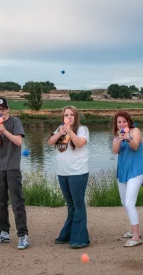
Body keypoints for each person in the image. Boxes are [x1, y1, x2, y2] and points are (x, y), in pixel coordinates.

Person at [0, 97, 29, 250]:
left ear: (8, 109)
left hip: (12, 168)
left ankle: (23, 236)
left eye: (3, 109)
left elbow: (18, 142)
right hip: (0, 168)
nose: (1, 111)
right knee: (1, 202)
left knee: (17, 203)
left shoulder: (15, 122)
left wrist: (4, 130)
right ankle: (3, 233)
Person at [47, 106, 90, 249]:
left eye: (72, 115)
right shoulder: (60, 128)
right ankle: (67, 235)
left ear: (76, 117)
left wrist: (70, 131)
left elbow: (79, 143)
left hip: (78, 173)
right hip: (62, 173)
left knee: (78, 205)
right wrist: (60, 132)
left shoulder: (82, 129)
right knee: (71, 206)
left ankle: (80, 239)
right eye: (66, 115)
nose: (69, 117)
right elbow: (50, 142)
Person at [112, 110, 143, 247]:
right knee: (124, 202)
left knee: (129, 202)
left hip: (136, 170)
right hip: (123, 171)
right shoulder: (116, 136)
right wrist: (120, 139)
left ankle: (136, 236)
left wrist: (128, 138)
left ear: (128, 121)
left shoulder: (135, 131)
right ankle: (133, 229)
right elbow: (115, 151)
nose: (122, 124)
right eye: (119, 122)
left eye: (124, 121)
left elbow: (135, 146)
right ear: (116, 124)